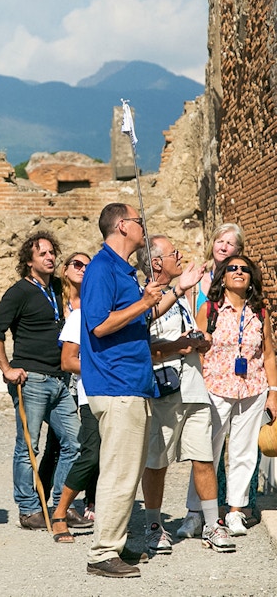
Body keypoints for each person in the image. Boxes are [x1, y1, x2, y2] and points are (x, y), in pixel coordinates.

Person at [81, 203, 205, 579]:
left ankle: (114, 542)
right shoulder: (102, 269)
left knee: (127, 470)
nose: (143, 226)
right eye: (138, 221)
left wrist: (174, 289)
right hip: (115, 383)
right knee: (119, 473)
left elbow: (142, 314)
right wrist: (144, 301)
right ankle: (102, 553)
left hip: (133, 383)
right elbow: (99, 325)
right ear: (122, 226)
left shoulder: (124, 270)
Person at [137, 236, 235, 554]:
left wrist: (201, 340)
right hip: (163, 392)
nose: (180, 257)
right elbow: (139, 347)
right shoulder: (142, 299)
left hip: (194, 389)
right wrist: (174, 346)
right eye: (173, 254)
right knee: (157, 462)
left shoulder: (177, 298)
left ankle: (211, 525)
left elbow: (188, 337)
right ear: (156, 263)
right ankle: (154, 527)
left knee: (204, 459)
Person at [0, 232, 84, 531]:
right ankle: (28, 510)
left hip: (59, 379)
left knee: (75, 443)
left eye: (53, 252)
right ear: (29, 261)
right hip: (32, 380)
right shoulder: (19, 292)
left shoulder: (56, 288)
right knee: (29, 447)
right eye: (43, 254)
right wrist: (6, 369)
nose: (50, 257)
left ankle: (58, 506)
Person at [192, 255, 277, 537]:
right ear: (223, 276)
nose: (239, 272)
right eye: (232, 268)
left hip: (253, 389)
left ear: (251, 277)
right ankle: (196, 512)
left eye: (244, 269)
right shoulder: (210, 309)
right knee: (207, 453)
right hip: (216, 388)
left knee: (243, 453)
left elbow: (268, 354)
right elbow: (196, 348)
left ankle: (235, 511)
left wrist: (273, 393)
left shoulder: (260, 311)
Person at [38, 252, 94, 510]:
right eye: (78, 264)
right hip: (61, 377)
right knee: (56, 443)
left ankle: (86, 500)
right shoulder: (56, 302)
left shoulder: (94, 302)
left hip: (83, 378)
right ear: (65, 270)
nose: (83, 269)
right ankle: (41, 500)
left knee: (88, 440)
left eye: (87, 265)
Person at [192, 223, 244, 314]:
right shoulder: (196, 284)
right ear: (212, 245)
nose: (223, 248)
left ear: (238, 251)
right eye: (220, 242)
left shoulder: (241, 283)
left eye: (230, 244)